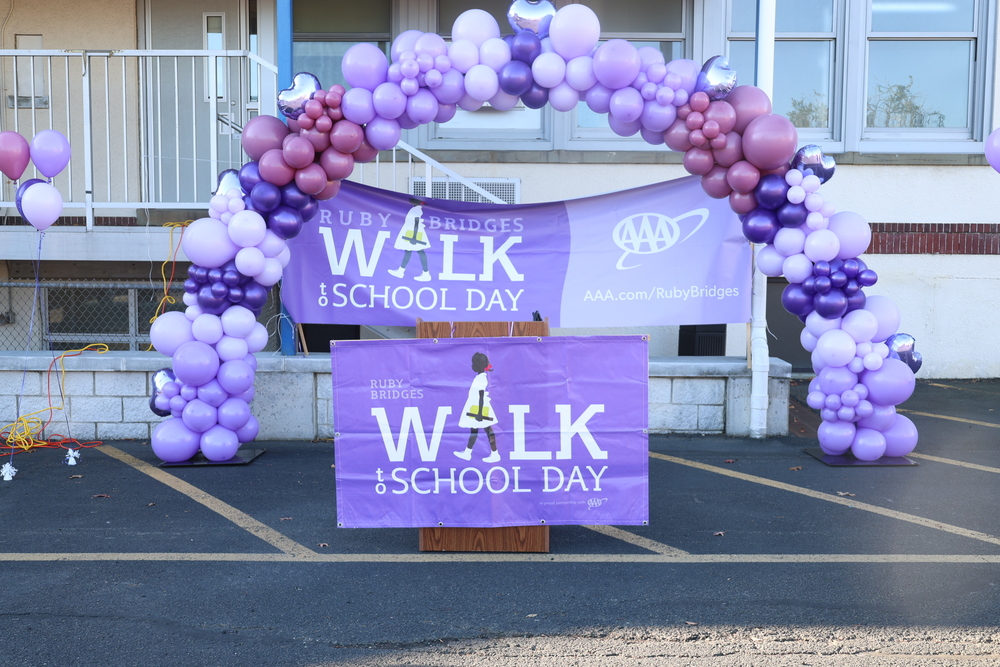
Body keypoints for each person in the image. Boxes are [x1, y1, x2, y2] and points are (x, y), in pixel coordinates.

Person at [454, 352, 499, 462]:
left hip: (480, 407)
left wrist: (479, 413)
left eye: (473, 364)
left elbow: (481, 395)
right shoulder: (479, 377)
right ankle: (468, 453)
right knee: (474, 430)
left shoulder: (481, 378)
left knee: (488, 430)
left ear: (478, 365)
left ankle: (495, 454)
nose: (471, 366)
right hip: (475, 406)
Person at [388, 198, 432, 281]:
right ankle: (401, 271)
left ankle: (425, 274)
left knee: (419, 252)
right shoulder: (415, 209)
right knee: (410, 252)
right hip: (411, 232)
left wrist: (414, 237)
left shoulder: (416, 210)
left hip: (414, 233)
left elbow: (416, 224)